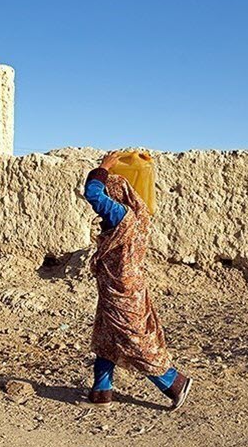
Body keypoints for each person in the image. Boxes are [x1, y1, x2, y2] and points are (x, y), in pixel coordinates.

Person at [82, 151, 193, 410]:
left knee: (134, 339)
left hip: (122, 289)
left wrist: (103, 168)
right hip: (119, 287)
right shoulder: (137, 216)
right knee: (107, 334)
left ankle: (173, 382)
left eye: (110, 192)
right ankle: (102, 390)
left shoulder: (122, 216)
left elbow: (92, 194)